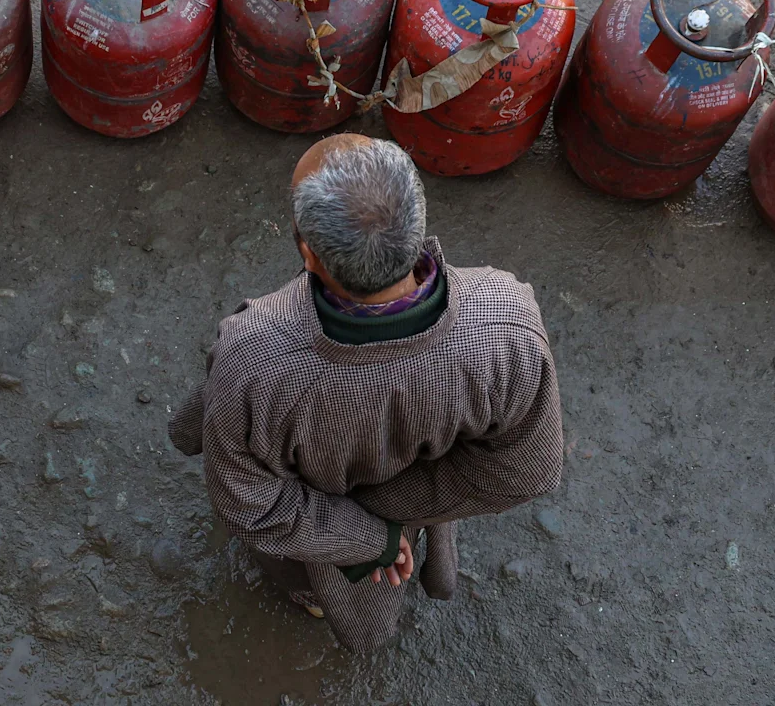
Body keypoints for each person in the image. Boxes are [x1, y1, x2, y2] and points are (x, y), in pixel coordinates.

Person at [168, 133, 564, 652]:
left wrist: (364, 532)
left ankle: (311, 595)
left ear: (309, 254)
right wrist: (403, 512)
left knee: (314, 577)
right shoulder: (506, 322)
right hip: (416, 508)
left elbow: (248, 500)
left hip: (315, 529)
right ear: (417, 223)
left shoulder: (253, 356)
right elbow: (529, 469)